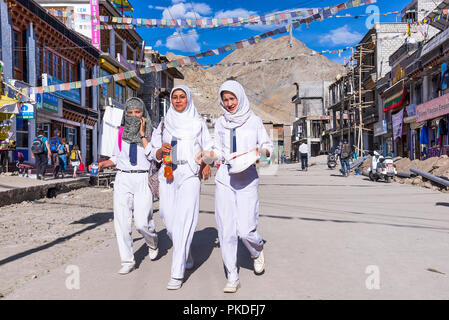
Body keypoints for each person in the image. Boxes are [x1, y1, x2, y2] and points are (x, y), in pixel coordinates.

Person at [204, 80, 273, 293]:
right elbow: (219, 150)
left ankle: (256, 250)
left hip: (247, 176)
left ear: (240, 97)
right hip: (225, 176)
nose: (229, 103)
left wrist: (264, 153)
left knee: (245, 230)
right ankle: (232, 276)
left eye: (232, 99)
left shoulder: (254, 121)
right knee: (226, 230)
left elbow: (267, 145)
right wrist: (209, 156)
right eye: (225, 100)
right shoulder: (221, 123)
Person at [150, 85, 213, 290]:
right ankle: (185, 251)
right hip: (168, 173)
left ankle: (177, 274)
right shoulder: (164, 122)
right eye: (174, 97)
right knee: (168, 219)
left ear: (188, 99)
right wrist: (160, 150)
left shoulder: (198, 123)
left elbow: (209, 148)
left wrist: (204, 163)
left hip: (189, 173)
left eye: (182, 97)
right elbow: (153, 152)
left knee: (185, 220)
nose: (178, 100)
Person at [89, 97, 158, 275]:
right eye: (130, 113)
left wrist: (143, 134)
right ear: (126, 114)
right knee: (122, 221)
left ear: (143, 113)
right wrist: (102, 164)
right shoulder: (120, 134)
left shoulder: (152, 132)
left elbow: (154, 157)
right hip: (123, 178)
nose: (134, 116)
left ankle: (152, 241)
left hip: (143, 178)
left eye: (138, 112)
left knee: (142, 222)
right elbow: (115, 158)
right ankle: (127, 260)